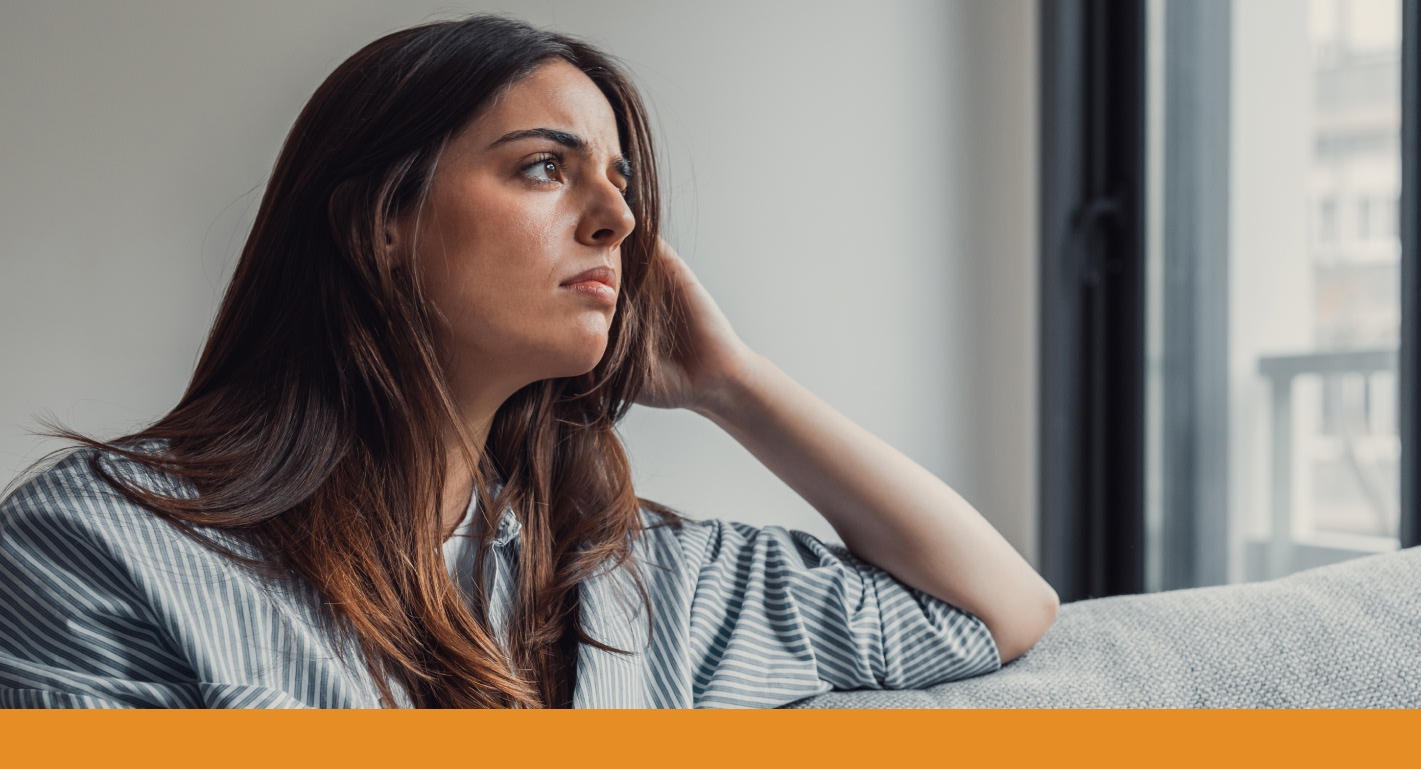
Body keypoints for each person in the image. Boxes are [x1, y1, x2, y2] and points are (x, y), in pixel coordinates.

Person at [0, 15, 1057, 709]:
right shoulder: (95, 550)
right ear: (380, 223)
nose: (618, 217)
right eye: (545, 168)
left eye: (622, 180)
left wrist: (734, 383)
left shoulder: (630, 582)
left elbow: (995, 608)